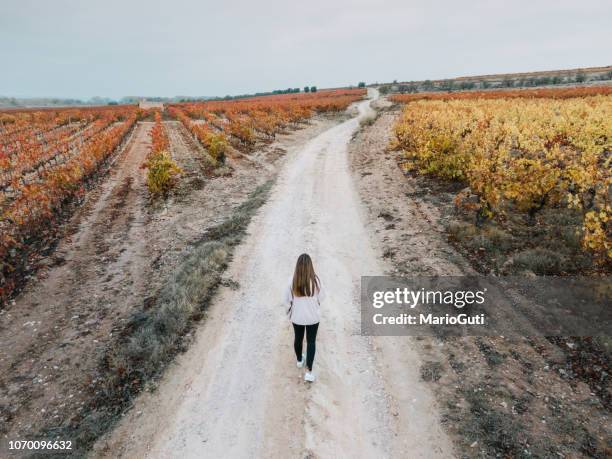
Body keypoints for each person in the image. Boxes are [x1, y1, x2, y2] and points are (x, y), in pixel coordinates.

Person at [285, 253, 325, 382]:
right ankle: (309, 371)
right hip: (313, 317)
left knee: (298, 338)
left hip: (297, 317)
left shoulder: (291, 280)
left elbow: (287, 300)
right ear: (310, 266)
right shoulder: (316, 280)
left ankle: (299, 360)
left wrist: (289, 312)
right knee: (311, 341)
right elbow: (322, 297)